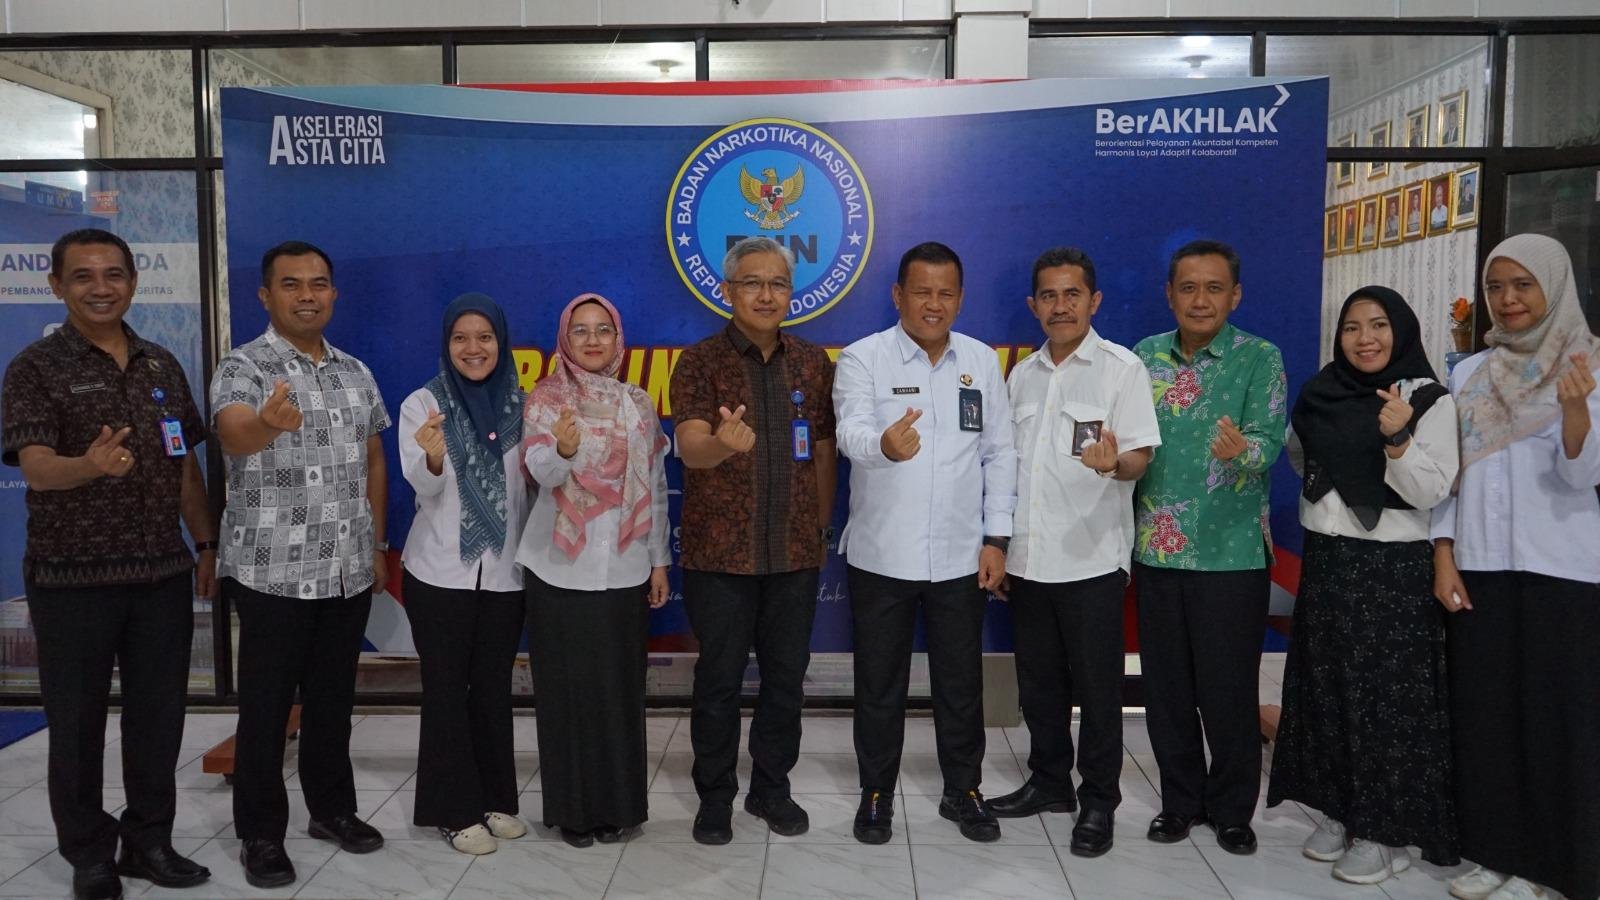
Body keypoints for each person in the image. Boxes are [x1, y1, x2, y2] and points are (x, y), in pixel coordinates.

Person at [2, 229, 214, 900]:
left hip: (161, 578)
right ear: (57, 285)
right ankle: (89, 853)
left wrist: (204, 545)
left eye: (114, 274)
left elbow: (185, 468)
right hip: (73, 581)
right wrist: (86, 467)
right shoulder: (35, 368)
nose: (102, 287)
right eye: (84, 275)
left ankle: (149, 840)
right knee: (77, 724)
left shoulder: (161, 366)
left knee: (158, 719)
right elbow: (35, 468)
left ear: (132, 281)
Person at [1266, 286, 1460, 884]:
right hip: (1327, 556)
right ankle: (1338, 810)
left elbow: (1435, 489)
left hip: (1391, 568)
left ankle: (1385, 832)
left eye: (1378, 325)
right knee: (1325, 690)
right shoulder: (1321, 392)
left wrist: (1397, 440)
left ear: (1401, 331)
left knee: (1385, 702)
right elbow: (1304, 456)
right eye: (1352, 327)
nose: (1365, 338)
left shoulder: (1428, 399)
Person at [211, 240, 389, 888]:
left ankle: (332, 811)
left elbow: (372, 458)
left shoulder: (355, 372)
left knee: (332, 705)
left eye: (318, 283)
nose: (307, 295)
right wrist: (265, 426)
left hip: (345, 568)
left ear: (333, 294)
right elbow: (233, 434)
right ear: (266, 295)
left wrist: (375, 545)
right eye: (292, 284)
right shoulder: (244, 367)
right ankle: (260, 835)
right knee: (265, 710)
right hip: (272, 573)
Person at [1432, 234, 1600, 900]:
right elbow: (1454, 477)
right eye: (1497, 286)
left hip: (1564, 570)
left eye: (1522, 285)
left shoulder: (1587, 363)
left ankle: (1553, 864)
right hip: (1481, 566)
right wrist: (1444, 554)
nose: (1508, 299)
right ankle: (1494, 852)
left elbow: (1583, 475)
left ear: (1553, 286)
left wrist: (1575, 410)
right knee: (1487, 716)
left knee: (1559, 720)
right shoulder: (1469, 373)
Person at [834, 241, 1017, 844]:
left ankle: (962, 790)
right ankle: (876, 792)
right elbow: (850, 433)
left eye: (945, 293)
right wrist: (884, 446)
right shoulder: (864, 358)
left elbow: (999, 453)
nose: (933, 304)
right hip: (882, 556)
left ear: (960, 298)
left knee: (959, 684)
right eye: (921, 292)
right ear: (897, 296)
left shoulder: (981, 362)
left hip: (963, 556)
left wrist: (997, 538)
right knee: (880, 685)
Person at [987, 248, 1160, 858]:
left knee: (1098, 689)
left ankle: (1099, 802)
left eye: (1072, 295)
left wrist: (1118, 466)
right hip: (1030, 562)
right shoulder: (1021, 375)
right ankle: (1050, 783)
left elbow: (1140, 454)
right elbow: (1007, 468)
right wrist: (1002, 545)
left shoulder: (1121, 369)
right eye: (1048, 297)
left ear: (1094, 301)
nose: (1060, 307)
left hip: (1090, 560)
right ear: (1034, 305)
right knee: (1040, 687)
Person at [668, 237, 837, 844]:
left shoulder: (813, 363)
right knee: (717, 680)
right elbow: (690, 446)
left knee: (786, 678)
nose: (767, 295)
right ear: (727, 290)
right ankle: (715, 795)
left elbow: (821, 452)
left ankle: (771, 789)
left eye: (779, 284)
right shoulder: (700, 361)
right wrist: (721, 445)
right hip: (720, 555)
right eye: (752, 283)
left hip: (793, 554)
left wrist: (815, 529)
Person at [1132, 239, 1286, 856]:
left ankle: (1231, 810)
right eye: (1188, 288)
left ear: (1236, 295)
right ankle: (1179, 803)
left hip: (1232, 553)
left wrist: (1239, 451)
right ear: (1169, 294)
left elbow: (1269, 442)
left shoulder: (1259, 358)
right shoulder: (1143, 356)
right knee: (1166, 688)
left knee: (1227, 689)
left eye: (1214, 288)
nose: (1200, 300)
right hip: (1158, 551)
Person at [519, 293, 671, 847]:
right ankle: (572, 812)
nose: (591, 340)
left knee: (618, 694)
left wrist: (659, 559)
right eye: (579, 330)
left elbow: (653, 486)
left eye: (602, 330)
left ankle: (619, 809)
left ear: (617, 338)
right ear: (564, 339)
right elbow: (538, 471)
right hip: (559, 568)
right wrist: (561, 449)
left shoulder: (637, 403)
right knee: (565, 696)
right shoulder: (545, 399)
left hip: (626, 568)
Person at [398, 293, 530, 855]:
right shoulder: (422, 404)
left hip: (504, 576)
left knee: (494, 691)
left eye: (484, 337)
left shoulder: (524, 406)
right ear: (446, 344)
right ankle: (453, 810)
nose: (473, 349)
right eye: (461, 338)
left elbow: (536, 481)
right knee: (447, 692)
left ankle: (497, 799)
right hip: (439, 574)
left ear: (501, 341)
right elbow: (423, 487)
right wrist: (431, 457)